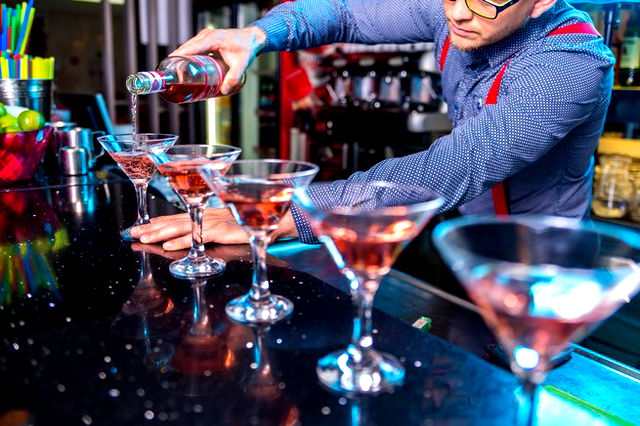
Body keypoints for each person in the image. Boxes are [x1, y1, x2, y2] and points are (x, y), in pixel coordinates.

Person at [130, 0, 614, 250]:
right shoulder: (462, 8)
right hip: (463, 236)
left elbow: (455, 165)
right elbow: (343, 13)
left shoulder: (570, 65)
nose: (459, 13)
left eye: (488, 0)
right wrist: (255, 34)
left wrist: (288, 213)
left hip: (539, 263)